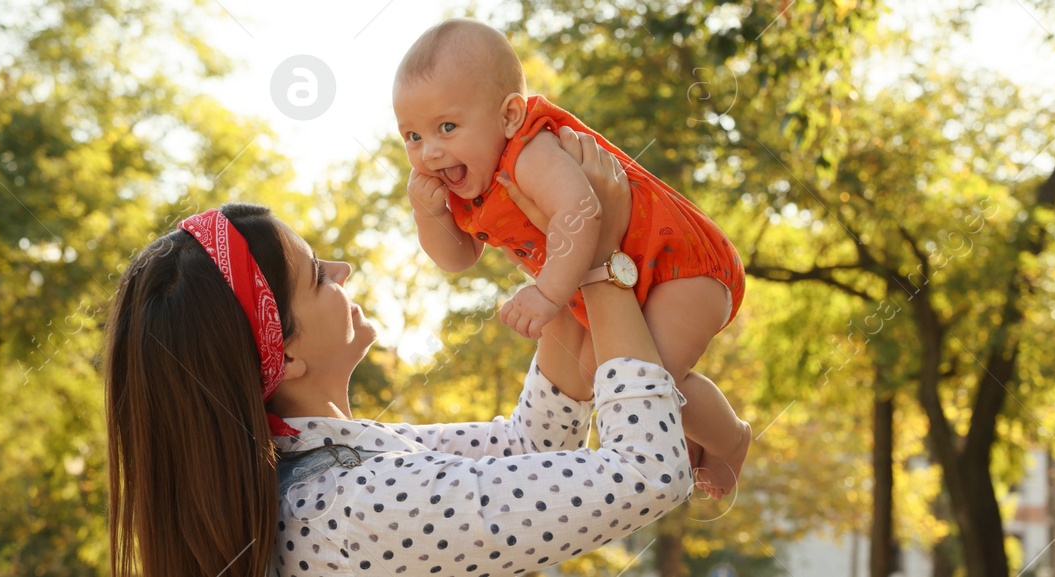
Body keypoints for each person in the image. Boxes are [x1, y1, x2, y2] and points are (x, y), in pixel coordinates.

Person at [103, 131, 693, 576]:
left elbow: (527, 448)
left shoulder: (334, 461)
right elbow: (649, 473)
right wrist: (602, 263)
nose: (342, 271)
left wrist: (567, 246)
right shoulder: (354, 504)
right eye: (315, 276)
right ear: (282, 355)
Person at [394, 17, 751, 496]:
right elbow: (459, 259)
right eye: (413, 137)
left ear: (508, 116)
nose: (430, 152)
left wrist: (547, 294)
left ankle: (729, 438)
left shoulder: (529, 151)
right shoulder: (463, 182)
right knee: (621, 387)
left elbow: (581, 211)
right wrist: (428, 217)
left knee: (646, 381)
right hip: (608, 278)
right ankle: (692, 432)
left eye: (447, 127)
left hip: (676, 266)